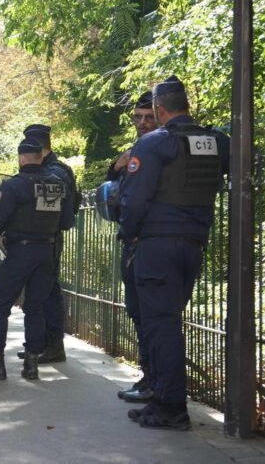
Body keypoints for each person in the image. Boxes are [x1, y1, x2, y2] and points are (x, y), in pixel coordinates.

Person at [120, 76, 228, 430]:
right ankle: (167, 400)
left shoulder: (153, 145)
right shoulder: (218, 142)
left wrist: (130, 235)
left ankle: (170, 407)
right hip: (194, 244)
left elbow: (135, 199)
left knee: (160, 326)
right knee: (169, 323)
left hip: (156, 247)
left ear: (159, 109)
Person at [0, 137, 73, 381]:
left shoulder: (15, 185)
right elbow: (67, 221)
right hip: (47, 252)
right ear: (41, 156)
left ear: (20, 157)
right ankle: (31, 363)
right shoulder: (58, 185)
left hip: (20, 252)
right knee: (35, 308)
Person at [100, 91, 159, 403]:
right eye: (138, 117)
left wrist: (131, 231)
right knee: (138, 313)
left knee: (152, 315)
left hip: (146, 243)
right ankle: (150, 376)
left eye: (149, 116)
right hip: (136, 242)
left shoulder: (159, 150)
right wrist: (116, 165)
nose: (142, 123)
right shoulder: (135, 150)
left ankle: (156, 381)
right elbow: (115, 188)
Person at [16, 124, 77, 364]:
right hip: (39, 238)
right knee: (39, 292)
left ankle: (53, 345)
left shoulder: (56, 172)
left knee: (49, 292)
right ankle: (39, 344)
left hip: (48, 238)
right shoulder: (50, 169)